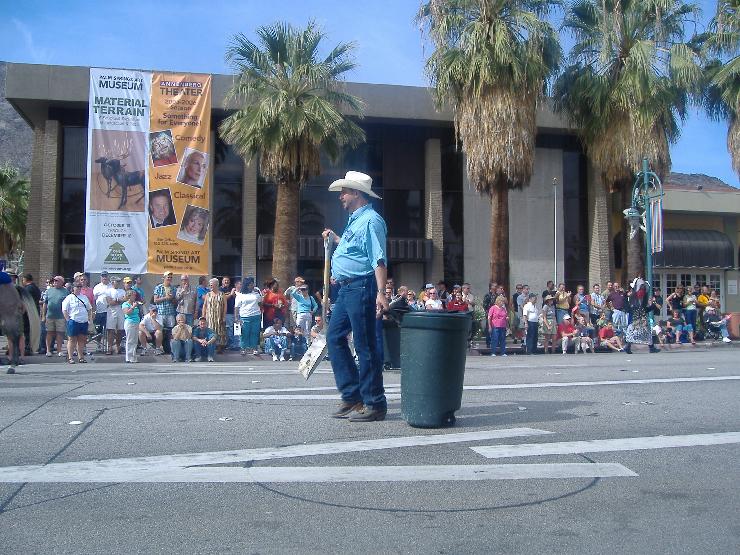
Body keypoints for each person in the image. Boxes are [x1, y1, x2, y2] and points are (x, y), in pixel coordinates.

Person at [322, 170, 389, 422]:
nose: (341, 196)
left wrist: (381, 293)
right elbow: (355, 250)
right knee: (335, 337)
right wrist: (336, 240)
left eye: (345, 192)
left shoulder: (371, 220)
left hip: (362, 287)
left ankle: (374, 402)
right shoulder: (356, 219)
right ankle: (353, 394)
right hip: (348, 287)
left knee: (365, 344)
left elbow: (378, 259)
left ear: (357, 194)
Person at [623, 280, 660, 354]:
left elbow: (643, 308)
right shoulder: (633, 296)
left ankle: (650, 347)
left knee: (644, 331)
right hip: (636, 316)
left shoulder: (641, 296)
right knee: (634, 331)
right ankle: (628, 346)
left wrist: (652, 306)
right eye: (641, 287)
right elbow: (630, 307)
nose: (643, 289)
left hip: (640, 315)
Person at [61, 282, 93, 364]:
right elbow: (64, 310)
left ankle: (81, 357)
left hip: (83, 321)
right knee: (72, 339)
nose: (79, 288)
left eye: (80, 287)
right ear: (73, 288)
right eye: (77, 287)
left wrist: (89, 319)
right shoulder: (69, 298)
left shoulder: (84, 297)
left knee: (82, 340)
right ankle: (70, 357)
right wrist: (68, 320)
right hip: (74, 321)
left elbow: (89, 309)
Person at [235, 277, 262, 356]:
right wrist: (236, 318)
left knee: (255, 333)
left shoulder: (256, 293)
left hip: (256, 315)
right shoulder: (240, 295)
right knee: (244, 333)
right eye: (250, 285)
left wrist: (259, 294)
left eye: (253, 284)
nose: (252, 286)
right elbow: (236, 307)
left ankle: (254, 348)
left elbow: (260, 303)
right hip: (245, 316)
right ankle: (243, 348)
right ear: (246, 285)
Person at [42, 275, 67, 358]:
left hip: (61, 316)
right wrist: (43, 316)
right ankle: (48, 350)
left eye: (57, 281)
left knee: (60, 333)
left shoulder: (66, 291)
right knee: (49, 333)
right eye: (54, 281)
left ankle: (59, 350)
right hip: (50, 315)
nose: (55, 282)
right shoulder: (49, 291)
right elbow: (45, 304)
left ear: (62, 282)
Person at [202, 278, 226, 351]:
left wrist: (224, 317)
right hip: (210, 317)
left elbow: (225, 306)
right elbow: (205, 306)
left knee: (219, 332)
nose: (210, 286)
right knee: (210, 332)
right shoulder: (208, 294)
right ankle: (210, 347)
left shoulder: (222, 294)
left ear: (216, 285)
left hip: (219, 317)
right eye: (210, 285)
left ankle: (219, 347)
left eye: (212, 285)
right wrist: (203, 317)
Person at [21, 273, 41, 356]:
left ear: (25, 279)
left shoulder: (27, 289)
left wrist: (22, 312)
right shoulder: (36, 288)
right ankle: (30, 347)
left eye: (23, 280)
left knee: (26, 330)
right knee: (31, 330)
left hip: (28, 312)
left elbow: (25, 301)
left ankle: (27, 348)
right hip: (35, 310)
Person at [105, 277, 126, 355]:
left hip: (120, 311)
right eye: (116, 281)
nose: (118, 283)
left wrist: (116, 300)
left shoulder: (122, 291)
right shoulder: (108, 291)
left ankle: (118, 346)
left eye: (118, 281)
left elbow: (125, 300)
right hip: (112, 311)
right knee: (111, 330)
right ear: (112, 282)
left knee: (120, 330)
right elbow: (110, 302)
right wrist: (119, 300)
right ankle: (110, 347)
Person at [121, 289, 143, 363]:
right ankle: (128, 357)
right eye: (134, 295)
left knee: (135, 341)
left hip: (136, 322)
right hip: (130, 323)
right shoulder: (125, 304)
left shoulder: (135, 303)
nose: (135, 296)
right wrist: (133, 307)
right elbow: (127, 313)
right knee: (130, 340)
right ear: (129, 296)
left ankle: (133, 357)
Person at [92, 271, 111, 352]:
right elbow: (94, 300)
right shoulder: (97, 287)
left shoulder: (111, 286)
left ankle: (108, 346)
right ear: (100, 277)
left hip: (109, 312)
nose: (104, 278)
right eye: (103, 276)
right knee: (98, 329)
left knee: (109, 330)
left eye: (106, 276)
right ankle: (98, 345)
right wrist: (94, 310)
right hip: (100, 311)